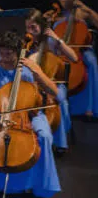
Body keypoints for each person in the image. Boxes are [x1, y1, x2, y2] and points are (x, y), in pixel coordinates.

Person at [0, 31, 61, 198]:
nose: (5, 58)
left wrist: (38, 72)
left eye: (9, 54)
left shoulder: (28, 69)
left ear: (17, 52)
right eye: (2, 53)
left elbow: (54, 91)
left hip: (30, 115)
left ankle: (40, 186)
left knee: (43, 136)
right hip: (4, 116)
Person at [46, 0, 98, 119]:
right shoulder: (55, 15)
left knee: (91, 61)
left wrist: (83, 6)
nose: (64, 1)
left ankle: (91, 107)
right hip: (59, 51)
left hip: (81, 50)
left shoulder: (82, 12)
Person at [26, 9, 77, 151]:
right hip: (32, 83)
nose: (30, 31)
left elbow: (74, 57)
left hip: (54, 83)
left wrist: (57, 38)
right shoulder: (25, 43)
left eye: (34, 27)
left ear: (41, 26)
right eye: (28, 27)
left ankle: (60, 143)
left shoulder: (50, 41)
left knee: (57, 99)